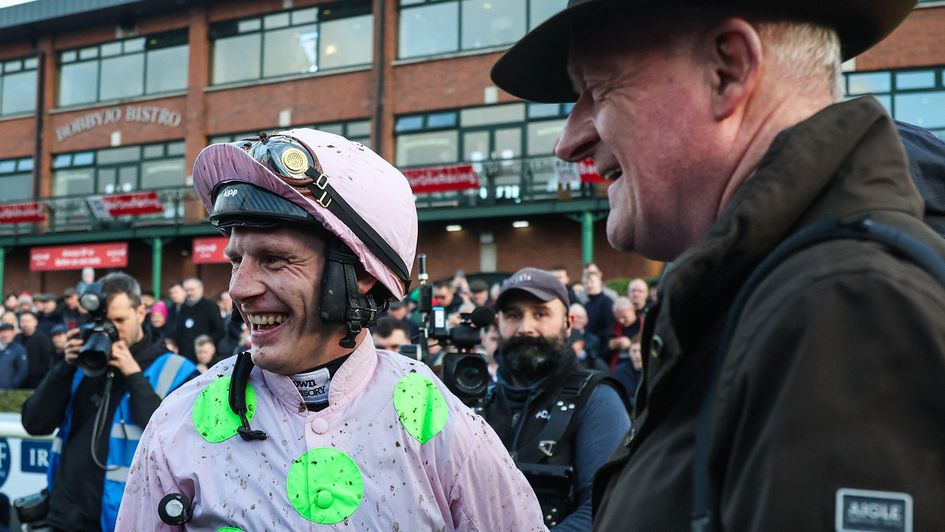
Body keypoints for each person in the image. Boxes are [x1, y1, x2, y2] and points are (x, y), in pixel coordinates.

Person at [491, 1, 945, 530]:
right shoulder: (769, 296)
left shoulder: (850, 308)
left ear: (727, 70)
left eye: (599, 89)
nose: (569, 142)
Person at [115, 129, 543, 530]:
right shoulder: (177, 422)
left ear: (363, 273)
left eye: (274, 259)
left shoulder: (440, 421)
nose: (239, 289)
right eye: (236, 261)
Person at [21, 272, 197, 532]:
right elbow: (34, 423)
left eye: (119, 320)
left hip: (124, 521)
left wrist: (134, 376)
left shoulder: (176, 370)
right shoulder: (81, 363)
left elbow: (177, 444)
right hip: (64, 518)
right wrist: (64, 367)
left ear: (141, 312)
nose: (111, 330)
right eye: (103, 321)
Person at [483, 267, 629, 531]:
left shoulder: (597, 398)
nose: (525, 328)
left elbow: (607, 506)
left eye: (540, 314)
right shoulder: (480, 400)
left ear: (568, 323)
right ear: (498, 323)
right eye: (513, 315)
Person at [174, 278, 224, 363]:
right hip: (184, 355)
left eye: (192, 290)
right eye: (187, 290)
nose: (189, 293)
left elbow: (219, 330)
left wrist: (207, 345)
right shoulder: (182, 307)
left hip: (205, 357)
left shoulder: (210, 306)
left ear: (200, 289)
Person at [17, 311, 55, 389]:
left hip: (37, 382)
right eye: (23, 321)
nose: (25, 324)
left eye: (28, 321)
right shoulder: (17, 338)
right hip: (20, 382)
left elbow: (47, 362)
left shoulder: (43, 339)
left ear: (35, 322)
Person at [0, 323, 28, 390]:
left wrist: (12, 385)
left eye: (9, 332)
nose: (6, 335)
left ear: (13, 333)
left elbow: (22, 370)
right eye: (3, 332)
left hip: (7, 390)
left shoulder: (18, 349)